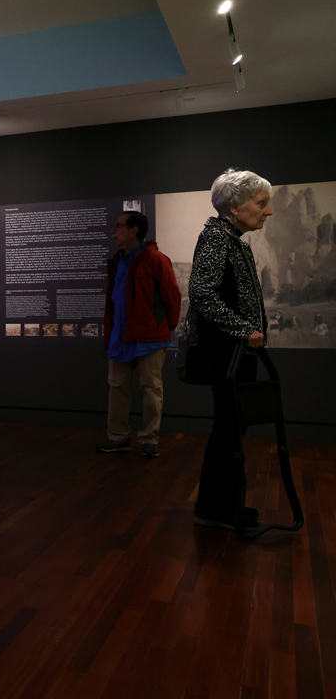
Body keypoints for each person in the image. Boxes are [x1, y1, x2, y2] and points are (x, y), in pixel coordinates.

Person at [183, 168, 273, 530]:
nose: (268, 211)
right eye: (261, 203)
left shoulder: (233, 239)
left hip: (237, 352)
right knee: (228, 428)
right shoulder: (217, 237)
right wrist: (244, 330)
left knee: (233, 427)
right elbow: (202, 293)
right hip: (226, 352)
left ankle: (223, 503)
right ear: (235, 207)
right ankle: (215, 508)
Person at [96, 211, 181, 457]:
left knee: (151, 389)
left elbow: (172, 297)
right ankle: (118, 437)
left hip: (149, 338)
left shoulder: (156, 259)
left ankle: (148, 439)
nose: (113, 231)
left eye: (118, 226)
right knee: (117, 387)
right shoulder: (117, 260)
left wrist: (163, 326)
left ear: (134, 230)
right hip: (120, 336)